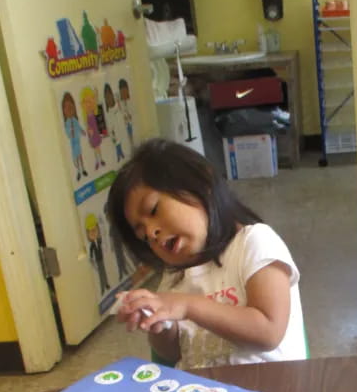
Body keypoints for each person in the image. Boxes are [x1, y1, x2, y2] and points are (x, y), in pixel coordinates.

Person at [106, 138, 307, 369]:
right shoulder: (174, 278)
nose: (152, 232)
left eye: (153, 210)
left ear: (201, 182)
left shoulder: (254, 243)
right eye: (142, 235)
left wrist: (188, 306)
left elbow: (269, 331)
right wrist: (159, 325)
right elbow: (171, 355)